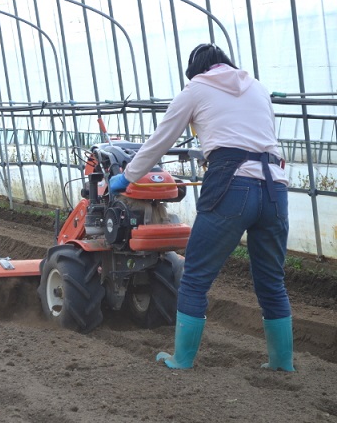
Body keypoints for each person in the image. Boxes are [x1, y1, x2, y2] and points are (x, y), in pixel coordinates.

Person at [109, 43, 294, 371]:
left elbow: (161, 140)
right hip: (275, 189)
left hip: (231, 187)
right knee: (271, 280)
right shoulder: (259, 89)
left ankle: (181, 360)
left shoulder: (195, 90)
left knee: (195, 275)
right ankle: (282, 365)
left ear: (196, 72)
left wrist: (127, 177)